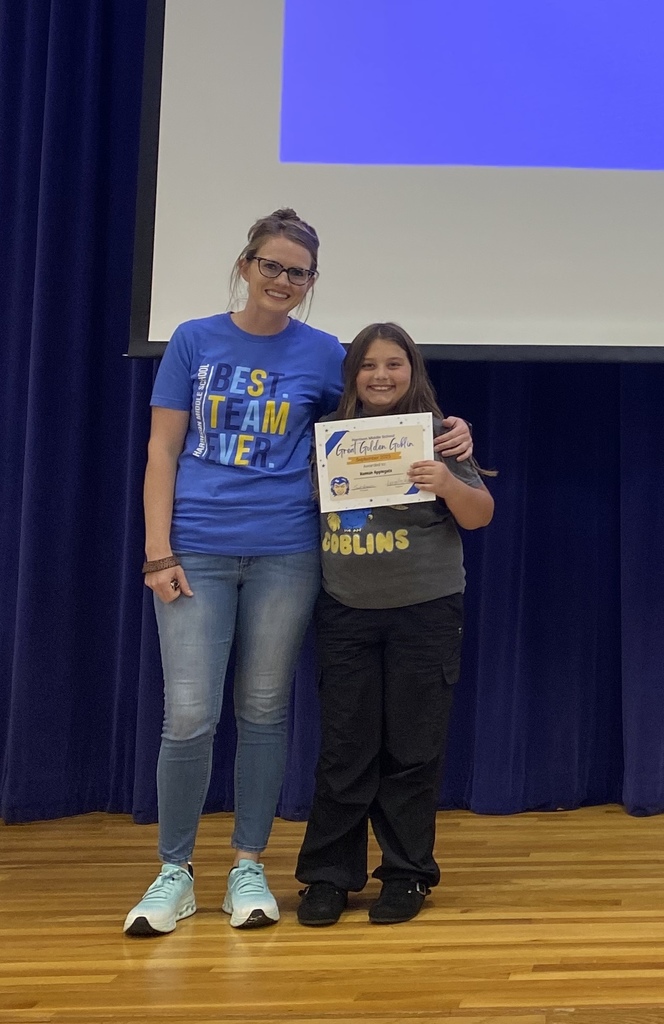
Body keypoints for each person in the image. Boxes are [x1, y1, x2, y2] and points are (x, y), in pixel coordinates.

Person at [123, 211, 473, 937]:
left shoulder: (324, 353)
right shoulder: (192, 339)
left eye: (299, 272)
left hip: (289, 551)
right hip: (196, 550)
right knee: (189, 714)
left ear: (313, 282)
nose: (283, 280)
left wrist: (451, 432)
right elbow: (161, 452)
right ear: (247, 264)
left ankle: (248, 863)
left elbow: (376, 419)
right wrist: (158, 549)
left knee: (262, 710)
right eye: (272, 265)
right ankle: (174, 872)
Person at [296, 322, 494, 927]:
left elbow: (481, 515)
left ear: (413, 372)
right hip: (348, 611)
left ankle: (407, 875)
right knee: (345, 749)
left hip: (427, 611)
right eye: (368, 365)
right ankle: (329, 878)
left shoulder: (438, 437)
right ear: (351, 373)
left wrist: (446, 483)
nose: (381, 376)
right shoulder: (326, 436)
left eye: (395, 364)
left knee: (413, 749)